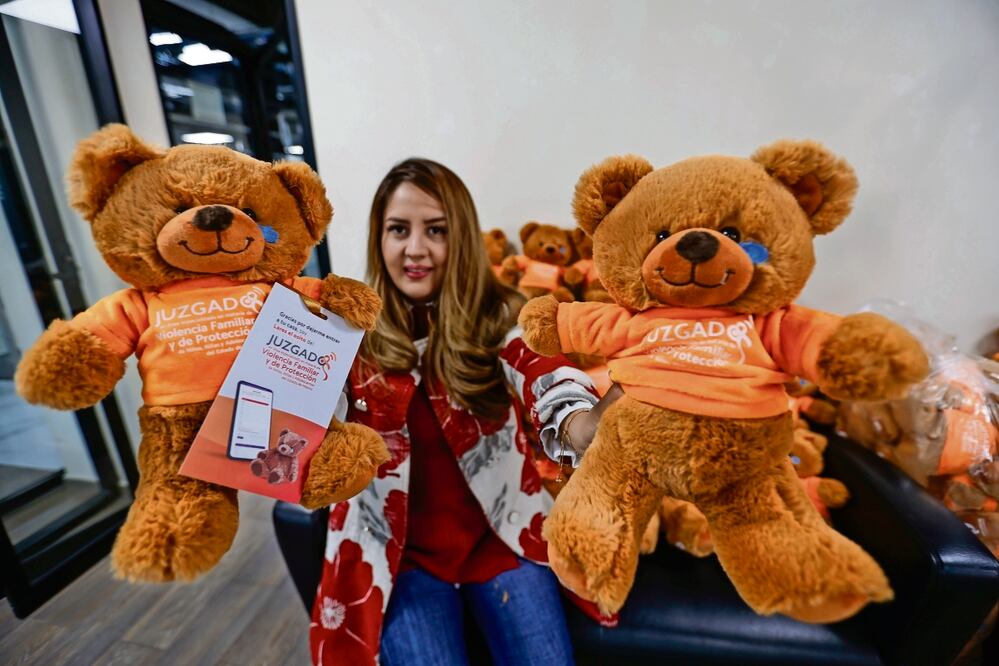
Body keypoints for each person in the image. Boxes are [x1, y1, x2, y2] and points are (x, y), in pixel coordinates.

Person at [308, 158, 612, 665]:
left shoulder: (502, 317)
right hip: (396, 556)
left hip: (504, 536)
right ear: (378, 239)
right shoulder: (343, 333)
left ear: (462, 238)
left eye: (437, 231)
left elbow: (543, 372)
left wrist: (586, 424)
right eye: (398, 229)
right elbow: (306, 427)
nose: (415, 249)